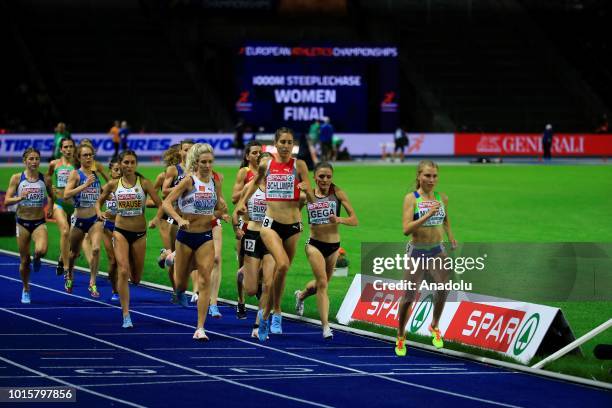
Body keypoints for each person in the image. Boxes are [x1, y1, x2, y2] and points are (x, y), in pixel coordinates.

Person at [236, 127, 314, 341]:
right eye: (283, 142)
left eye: (290, 142)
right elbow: (253, 183)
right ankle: (266, 314)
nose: (286, 146)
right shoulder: (266, 164)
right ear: (275, 143)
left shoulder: (299, 165)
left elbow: (311, 199)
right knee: (282, 265)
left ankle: (275, 311)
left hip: (293, 226)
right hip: (269, 224)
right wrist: (242, 202)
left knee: (281, 272)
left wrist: (308, 192)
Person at [162, 143, 227, 340]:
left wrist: (221, 213)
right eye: (203, 162)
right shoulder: (188, 181)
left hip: (205, 236)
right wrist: (180, 219)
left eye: (210, 162)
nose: (207, 165)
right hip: (185, 237)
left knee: (204, 280)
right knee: (181, 284)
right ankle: (170, 258)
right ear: (196, 162)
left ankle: (200, 328)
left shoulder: (215, 183)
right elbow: (166, 203)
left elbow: (216, 207)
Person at [395, 160, 457, 357]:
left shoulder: (442, 198)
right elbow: (406, 229)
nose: (431, 180)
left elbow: (445, 221)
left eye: (434, 176)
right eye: (427, 176)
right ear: (419, 177)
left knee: (444, 289)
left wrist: (451, 237)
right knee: (408, 297)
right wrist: (427, 215)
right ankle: (400, 335)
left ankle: (434, 325)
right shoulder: (411, 199)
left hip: (437, 251)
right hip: (417, 251)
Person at [96, 150, 163, 328]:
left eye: (132, 162)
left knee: (136, 279)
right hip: (120, 231)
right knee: (123, 271)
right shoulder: (113, 185)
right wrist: (99, 213)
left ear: (136, 164)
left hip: (140, 234)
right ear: (120, 164)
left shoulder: (145, 184)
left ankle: (164, 257)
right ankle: (126, 314)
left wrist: (156, 219)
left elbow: (161, 204)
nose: (129, 166)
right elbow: (98, 202)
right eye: (126, 162)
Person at [294, 162, 358, 338]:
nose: (325, 180)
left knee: (321, 284)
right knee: (322, 283)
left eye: (328, 176)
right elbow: (295, 211)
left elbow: (354, 219)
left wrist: (339, 219)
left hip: (333, 246)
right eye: (321, 176)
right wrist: (298, 223)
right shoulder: (306, 195)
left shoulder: (337, 193)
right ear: (315, 177)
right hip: (314, 244)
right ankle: (326, 327)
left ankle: (301, 295)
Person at [233, 152, 275, 338]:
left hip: (272, 236)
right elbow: (236, 213)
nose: (267, 170)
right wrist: (237, 228)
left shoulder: (279, 189)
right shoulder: (250, 187)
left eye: (270, 166)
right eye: (264, 166)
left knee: (268, 283)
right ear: (259, 167)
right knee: (251, 289)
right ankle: (244, 276)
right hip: (252, 234)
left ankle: (259, 325)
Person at [4, 148, 53, 303]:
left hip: (38, 222)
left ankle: (37, 258)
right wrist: (20, 197)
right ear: (25, 161)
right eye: (31, 159)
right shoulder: (17, 178)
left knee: (41, 250)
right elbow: (6, 201)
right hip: (22, 223)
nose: (34, 161)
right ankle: (26, 288)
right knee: (24, 261)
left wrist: (51, 207)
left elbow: (52, 195)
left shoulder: (45, 179)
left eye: (37, 158)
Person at [63, 144, 103, 297]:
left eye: (90, 155)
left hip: (95, 219)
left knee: (96, 249)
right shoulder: (76, 174)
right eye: (85, 155)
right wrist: (84, 185)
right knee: (73, 253)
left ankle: (92, 283)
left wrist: (101, 208)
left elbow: (97, 194)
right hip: (79, 219)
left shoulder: (95, 173)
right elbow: (66, 194)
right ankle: (70, 274)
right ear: (79, 158)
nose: (88, 158)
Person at [231, 140, 262, 318]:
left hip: (263, 226)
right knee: (242, 266)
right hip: (245, 225)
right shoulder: (245, 172)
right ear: (247, 156)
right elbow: (235, 198)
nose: (257, 155)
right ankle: (241, 300)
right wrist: (249, 188)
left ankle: (261, 302)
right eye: (254, 153)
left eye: (260, 153)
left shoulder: (268, 173)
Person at [161, 140, 194, 302]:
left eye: (191, 150)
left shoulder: (198, 169)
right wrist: (181, 187)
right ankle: (177, 292)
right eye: (185, 150)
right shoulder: (174, 169)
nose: (188, 153)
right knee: (175, 259)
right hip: (176, 219)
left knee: (191, 259)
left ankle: (194, 291)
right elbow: (164, 191)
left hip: (194, 220)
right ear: (180, 152)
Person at [46, 138, 76, 277]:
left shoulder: (77, 163)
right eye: (66, 147)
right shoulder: (54, 164)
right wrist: (50, 204)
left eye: (71, 146)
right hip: (60, 204)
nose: (68, 149)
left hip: (75, 205)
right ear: (61, 149)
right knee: (64, 231)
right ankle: (66, 267)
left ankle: (60, 259)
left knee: (73, 237)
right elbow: (48, 180)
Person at [100, 158, 121, 302]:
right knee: (113, 261)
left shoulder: (129, 187)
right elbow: (96, 203)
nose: (119, 172)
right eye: (116, 169)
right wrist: (98, 213)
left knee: (123, 262)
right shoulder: (106, 188)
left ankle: (118, 280)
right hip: (107, 225)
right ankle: (115, 290)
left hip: (123, 227)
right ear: (110, 171)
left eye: (121, 169)